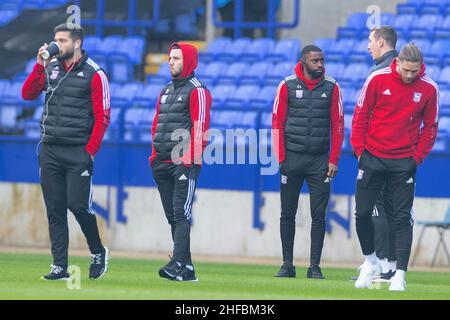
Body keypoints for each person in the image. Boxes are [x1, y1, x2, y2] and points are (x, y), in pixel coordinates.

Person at [22, 24, 110, 280]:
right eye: (55, 39)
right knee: (55, 209)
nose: (56, 44)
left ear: (77, 43)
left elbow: (103, 117)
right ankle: (59, 266)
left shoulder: (95, 73)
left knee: (78, 206)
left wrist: (90, 152)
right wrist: (39, 64)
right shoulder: (50, 68)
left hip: (78, 152)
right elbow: (27, 94)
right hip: (49, 149)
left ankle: (97, 251)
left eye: (62, 40)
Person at [351, 43, 439, 291]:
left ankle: (399, 274)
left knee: (402, 219)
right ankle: (370, 262)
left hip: (403, 163)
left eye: (415, 71)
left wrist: (416, 158)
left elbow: (431, 127)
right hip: (372, 158)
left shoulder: (429, 88)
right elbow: (360, 114)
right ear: (398, 62)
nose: (410, 75)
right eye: (406, 70)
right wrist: (360, 151)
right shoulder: (377, 79)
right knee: (363, 214)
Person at [272, 45, 344, 279]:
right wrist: (281, 157)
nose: (320, 65)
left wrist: (333, 159)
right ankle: (287, 264)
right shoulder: (287, 85)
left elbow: (338, 124)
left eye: (322, 60)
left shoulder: (332, 87)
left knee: (319, 214)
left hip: (319, 161)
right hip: (292, 158)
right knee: (287, 214)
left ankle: (314, 266)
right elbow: (277, 123)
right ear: (303, 61)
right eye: (315, 61)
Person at [149, 42, 211, 282]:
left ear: (188, 61)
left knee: (181, 212)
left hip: (184, 162)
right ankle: (186, 267)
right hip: (162, 161)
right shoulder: (165, 90)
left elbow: (200, 126)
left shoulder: (198, 90)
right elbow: (157, 123)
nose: (170, 61)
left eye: (176, 57)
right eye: (169, 57)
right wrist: (154, 157)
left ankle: (178, 262)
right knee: (172, 216)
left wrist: (191, 158)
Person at [355, 26, 399, 281]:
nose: (368, 46)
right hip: (395, 153)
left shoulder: (382, 72)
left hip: (380, 152)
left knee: (377, 209)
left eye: (370, 41)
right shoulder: (395, 69)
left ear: (381, 42)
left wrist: (362, 149)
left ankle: (382, 264)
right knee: (390, 209)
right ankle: (389, 264)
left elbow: (368, 114)